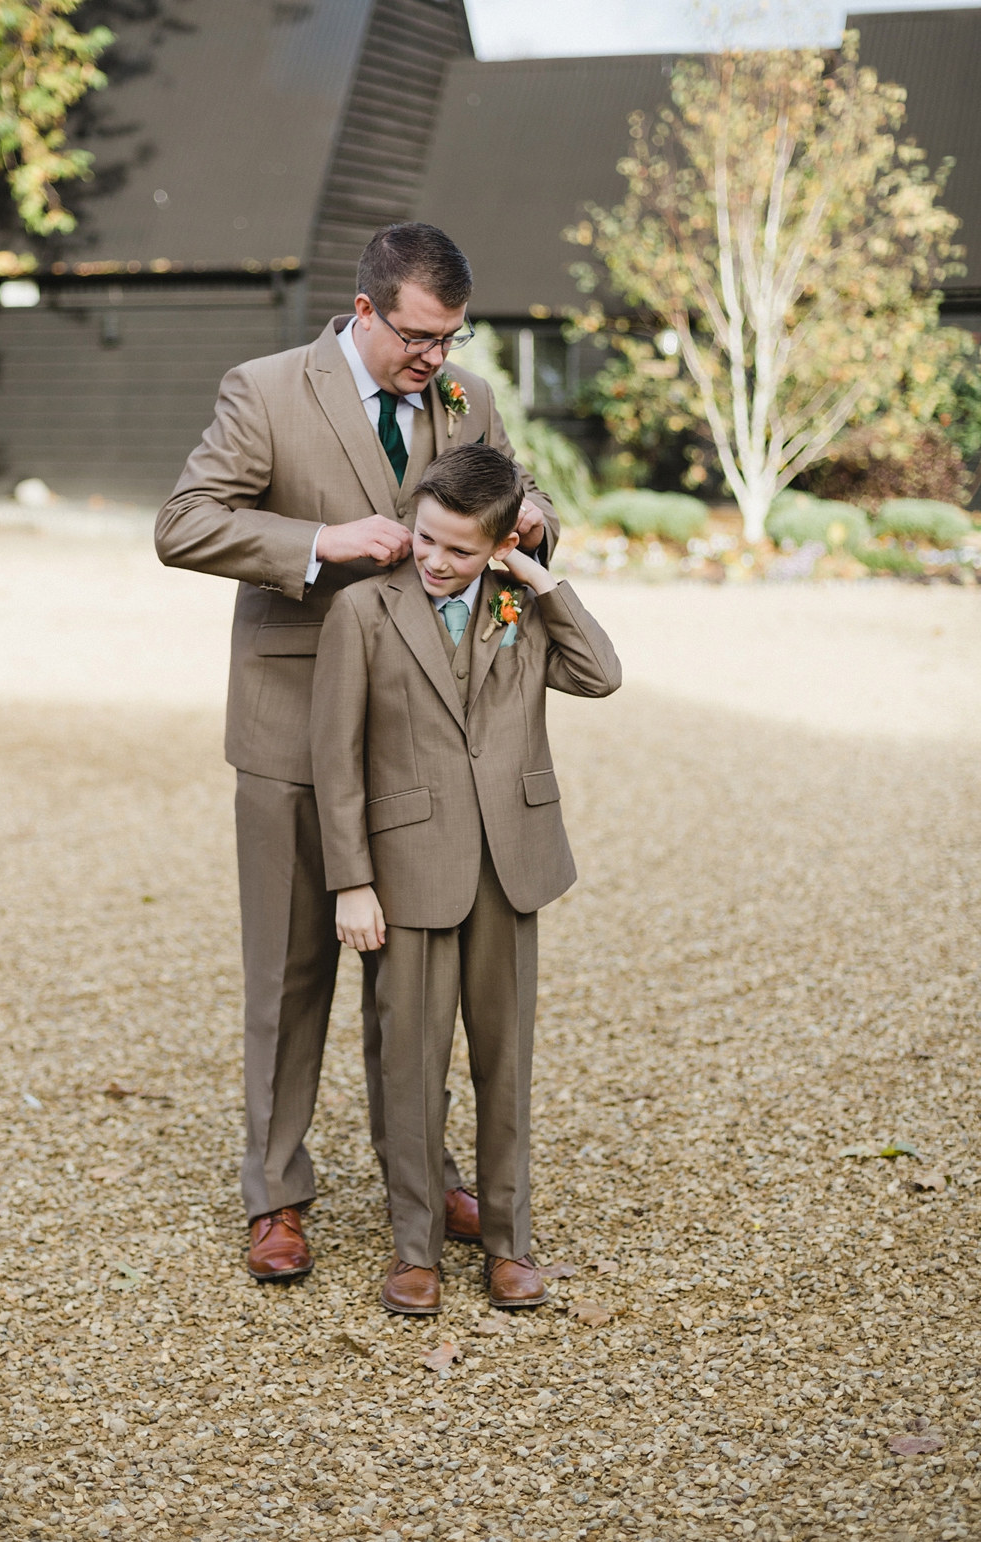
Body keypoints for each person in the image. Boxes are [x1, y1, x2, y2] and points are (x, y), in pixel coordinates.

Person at [155, 223, 560, 1281]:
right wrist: (317, 544)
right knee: (291, 974)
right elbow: (185, 522)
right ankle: (277, 1195)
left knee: (414, 978)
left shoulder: (468, 400)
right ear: (367, 310)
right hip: (294, 727)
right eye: (421, 338)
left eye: (452, 338)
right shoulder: (264, 388)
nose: (438, 360)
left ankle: (421, 1180)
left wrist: (538, 517)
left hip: (435, 745)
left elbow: (507, 497)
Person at [309, 445, 620, 1313]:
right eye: (426, 539)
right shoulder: (364, 610)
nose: (436, 561)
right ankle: (415, 1250)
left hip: (510, 866)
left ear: (498, 546)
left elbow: (602, 674)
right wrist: (352, 882)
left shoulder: (522, 604)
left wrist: (538, 577)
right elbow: (334, 760)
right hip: (406, 871)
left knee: (505, 1062)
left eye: (459, 549)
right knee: (411, 1064)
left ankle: (510, 1243)